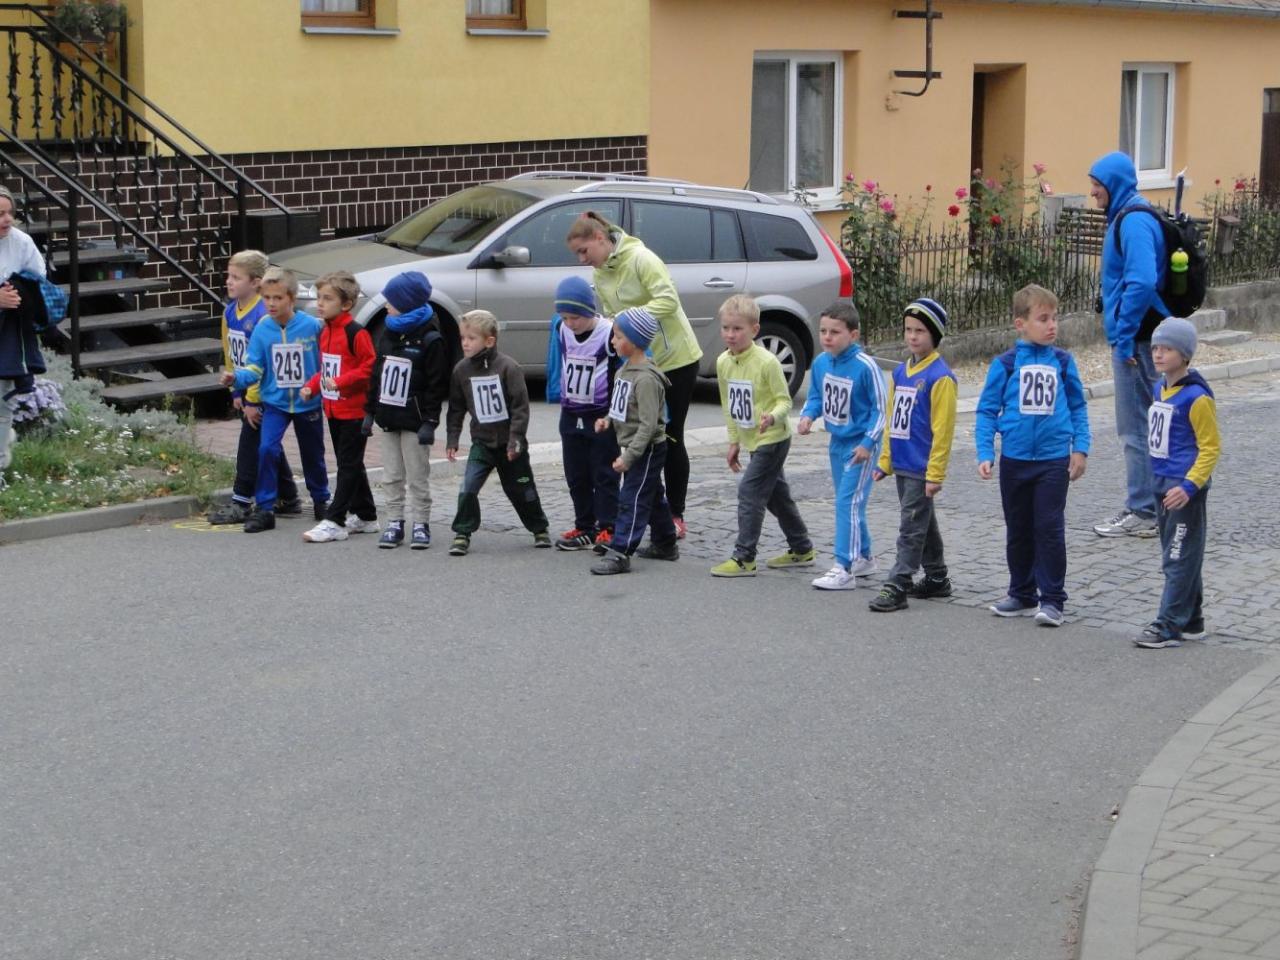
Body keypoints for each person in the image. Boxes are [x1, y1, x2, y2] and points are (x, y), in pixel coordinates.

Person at [566, 211, 702, 539]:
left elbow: (668, 301)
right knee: (634, 435)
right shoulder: (600, 273)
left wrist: (628, 320)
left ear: (601, 238)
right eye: (577, 254)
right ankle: (645, 515)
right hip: (637, 363)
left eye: (584, 251)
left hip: (675, 359)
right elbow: (612, 317)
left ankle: (675, 514)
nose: (582, 260)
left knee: (669, 436)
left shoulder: (642, 259)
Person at [975, 284, 1090, 627]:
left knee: (1049, 528)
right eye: (1043, 319)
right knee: (1019, 528)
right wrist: (985, 451)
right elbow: (986, 410)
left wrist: (1080, 448)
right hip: (1015, 460)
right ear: (1020, 324)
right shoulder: (1006, 364)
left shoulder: (1063, 362)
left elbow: (1078, 407)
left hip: (1053, 460)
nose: (1052, 325)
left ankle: (1052, 599)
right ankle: (1022, 592)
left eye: (1054, 318)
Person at [1089, 151, 1167, 539]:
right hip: (1143, 336)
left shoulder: (1133, 220)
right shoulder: (1129, 214)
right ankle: (1154, 505)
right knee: (1149, 422)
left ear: (1114, 183)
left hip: (1138, 340)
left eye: (1097, 184)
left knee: (1135, 427)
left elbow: (1142, 281)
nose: (1092, 192)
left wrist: (1123, 337)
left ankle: (1143, 510)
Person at [219, 267, 329, 532]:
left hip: (307, 402)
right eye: (266, 297)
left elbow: (328, 356)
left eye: (278, 298)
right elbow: (254, 367)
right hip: (276, 403)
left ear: (292, 298)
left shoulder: (312, 326)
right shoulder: (262, 329)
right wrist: (237, 379)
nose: (271, 303)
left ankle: (321, 500)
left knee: (313, 454)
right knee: (267, 449)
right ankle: (265, 508)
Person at [710, 294, 813, 577]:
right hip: (751, 439)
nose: (730, 334)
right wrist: (734, 441)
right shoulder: (723, 362)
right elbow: (728, 404)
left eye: (737, 328)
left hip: (773, 438)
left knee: (750, 491)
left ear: (754, 330)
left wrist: (772, 417)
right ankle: (802, 547)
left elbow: (784, 401)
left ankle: (744, 557)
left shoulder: (767, 362)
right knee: (777, 497)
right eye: (726, 328)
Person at [1134, 317, 1220, 649]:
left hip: (1183, 488)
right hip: (1161, 483)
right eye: (1156, 347)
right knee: (1180, 552)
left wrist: (1189, 486)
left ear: (1184, 355)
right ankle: (1192, 618)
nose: (1157, 354)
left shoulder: (1196, 398)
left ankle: (1168, 623)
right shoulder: (1160, 388)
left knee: (1178, 555)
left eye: (1167, 349)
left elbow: (1210, 447)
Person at [869, 297, 958, 612]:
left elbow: (943, 431)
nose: (912, 336)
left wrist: (935, 473)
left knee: (910, 527)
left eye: (920, 331)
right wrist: (885, 460)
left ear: (934, 335)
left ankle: (898, 583)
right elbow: (893, 419)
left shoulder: (940, 377)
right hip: (902, 463)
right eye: (908, 329)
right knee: (922, 520)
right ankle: (936, 577)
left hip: (921, 466)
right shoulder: (900, 373)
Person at [445, 309, 551, 555]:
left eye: (471, 338)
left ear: (489, 341)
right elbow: (456, 408)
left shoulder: (508, 368)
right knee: (468, 487)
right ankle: (462, 532)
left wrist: (516, 440)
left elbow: (520, 409)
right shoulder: (461, 370)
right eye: (462, 338)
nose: (465, 343)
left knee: (522, 491)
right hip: (482, 444)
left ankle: (539, 528)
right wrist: (452, 438)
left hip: (510, 444)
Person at [797, 300, 887, 591]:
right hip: (837, 442)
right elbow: (816, 396)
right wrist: (808, 416)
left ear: (853, 334)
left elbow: (880, 410)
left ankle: (843, 567)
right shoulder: (821, 363)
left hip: (861, 447)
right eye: (823, 331)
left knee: (846, 502)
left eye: (835, 332)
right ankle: (865, 556)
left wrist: (868, 443)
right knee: (850, 502)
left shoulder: (866, 367)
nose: (827, 337)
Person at [207, 250, 302, 525]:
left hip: (262, 392)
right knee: (266, 443)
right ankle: (289, 496)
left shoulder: (262, 316)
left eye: (236, 277)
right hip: (244, 387)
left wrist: (252, 400)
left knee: (248, 446)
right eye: (229, 276)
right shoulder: (229, 311)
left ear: (256, 282)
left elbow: (264, 363)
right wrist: (236, 390)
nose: (229, 281)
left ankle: (241, 501)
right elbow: (230, 353)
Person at [589, 307, 679, 575]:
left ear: (635, 341)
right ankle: (665, 542)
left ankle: (621, 551)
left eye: (618, 337)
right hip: (633, 445)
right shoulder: (624, 371)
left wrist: (629, 457)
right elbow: (622, 408)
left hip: (647, 449)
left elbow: (649, 425)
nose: (613, 341)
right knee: (652, 495)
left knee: (633, 498)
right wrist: (608, 420)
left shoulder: (646, 379)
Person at [365, 271, 449, 550]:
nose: (386, 305)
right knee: (391, 474)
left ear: (406, 303)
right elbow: (377, 375)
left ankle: (421, 523)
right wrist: (369, 411)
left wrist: (430, 422)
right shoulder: (388, 333)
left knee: (417, 475)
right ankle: (394, 521)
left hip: (415, 420)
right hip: (388, 417)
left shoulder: (431, 339)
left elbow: (437, 386)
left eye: (391, 301)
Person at [299, 270, 378, 543]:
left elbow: (369, 368)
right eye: (319, 297)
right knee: (352, 463)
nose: (320, 303)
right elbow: (326, 369)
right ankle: (366, 515)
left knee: (347, 466)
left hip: (354, 411)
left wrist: (341, 382)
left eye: (327, 298)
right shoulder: (325, 332)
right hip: (333, 409)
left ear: (346, 304)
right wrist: (312, 386)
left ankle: (335, 520)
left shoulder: (356, 333)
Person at [549, 275, 621, 554]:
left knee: (604, 473)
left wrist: (617, 412)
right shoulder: (561, 329)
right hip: (571, 412)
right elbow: (559, 360)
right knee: (576, 474)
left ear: (590, 310)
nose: (570, 323)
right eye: (565, 317)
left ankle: (608, 526)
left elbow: (623, 369)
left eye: (576, 317)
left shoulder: (609, 333)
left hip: (601, 415)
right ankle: (584, 525)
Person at [0, 185, 46, 481]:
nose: (6, 219)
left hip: (9, 334)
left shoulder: (22, 242)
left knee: (1, 402)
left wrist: (21, 293)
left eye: (9, 213)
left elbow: (40, 281)